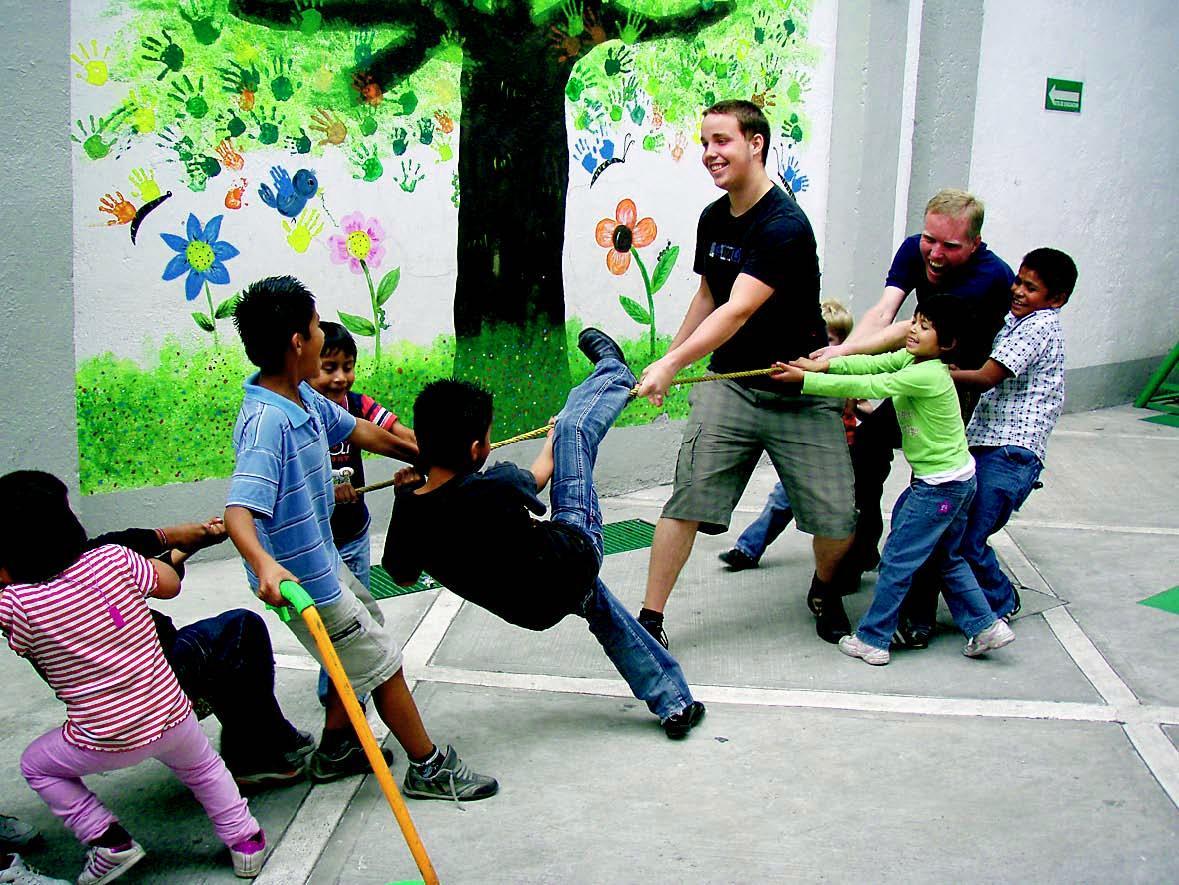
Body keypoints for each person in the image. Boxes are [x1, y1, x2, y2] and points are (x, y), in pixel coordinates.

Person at [225, 276, 497, 801]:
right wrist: (264, 565)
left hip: (323, 561)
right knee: (381, 663)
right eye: (313, 327)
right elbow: (239, 510)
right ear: (297, 344)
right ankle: (428, 768)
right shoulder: (266, 422)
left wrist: (426, 456)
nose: (322, 336)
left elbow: (358, 431)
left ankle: (340, 747)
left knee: (361, 643)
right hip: (302, 583)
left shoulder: (300, 396)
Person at [382, 328, 706, 739]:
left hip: (531, 607)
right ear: (476, 450)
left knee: (598, 606)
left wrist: (403, 495)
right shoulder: (493, 485)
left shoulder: (413, 511)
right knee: (573, 430)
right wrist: (553, 438)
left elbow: (403, 574)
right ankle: (613, 371)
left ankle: (675, 702)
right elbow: (538, 476)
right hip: (574, 553)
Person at [633, 99, 858, 646]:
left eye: (722, 141)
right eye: (705, 142)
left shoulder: (784, 226)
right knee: (685, 500)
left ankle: (825, 589)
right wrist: (671, 356)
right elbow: (709, 293)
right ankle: (650, 620)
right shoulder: (714, 217)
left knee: (836, 520)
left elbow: (738, 308)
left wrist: (670, 364)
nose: (710, 153)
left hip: (797, 386)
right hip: (731, 384)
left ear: (755, 144)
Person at [0, 471, 269, 883]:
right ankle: (246, 843)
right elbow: (169, 584)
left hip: (101, 737)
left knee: (37, 765)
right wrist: (176, 552)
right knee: (205, 770)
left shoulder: (14, 604)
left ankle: (109, 840)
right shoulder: (112, 558)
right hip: (171, 714)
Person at [770, 295, 1016, 665]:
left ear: (947, 343)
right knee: (947, 557)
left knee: (899, 559)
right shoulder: (913, 359)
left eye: (926, 326)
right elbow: (872, 363)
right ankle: (985, 626)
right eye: (915, 321)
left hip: (940, 489)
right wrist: (823, 365)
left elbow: (874, 383)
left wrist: (805, 380)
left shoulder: (924, 375)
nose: (914, 329)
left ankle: (873, 638)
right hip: (957, 483)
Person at [815, 189, 1014, 579]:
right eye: (930, 239)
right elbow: (885, 310)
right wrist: (846, 354)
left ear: (975, 244)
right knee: (868, 448)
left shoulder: (989, 277)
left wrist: (844, 360)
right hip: (920, 371)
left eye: (950, 245)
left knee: (932, 487)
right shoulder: (913, 250)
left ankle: (919, 602)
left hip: (961, 386)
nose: (935, 254)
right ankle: (862, 549)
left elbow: (911, 327)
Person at [900, 248, 1077, 635]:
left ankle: (998, 602)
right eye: (1018, 281)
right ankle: (950, 612)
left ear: (1056, 299)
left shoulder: (1038, 327)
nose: (1017, 291)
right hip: (986, 442)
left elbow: (986, 378)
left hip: (1012, 452)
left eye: (1031, 288)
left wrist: (940, 374)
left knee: (965, 537)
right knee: (952, 530)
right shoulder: (1017, 322)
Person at [83, 519, 316, 787]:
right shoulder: (104, 558)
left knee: (213, 641)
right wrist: (171, 536)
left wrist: (188, 544)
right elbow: (167, 584)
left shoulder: (28, 595)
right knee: (239, 630)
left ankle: (274, 736)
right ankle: (253, 757)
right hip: (152, 677)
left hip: (99, 701)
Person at [719, 299, 871, 571]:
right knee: (781, 500)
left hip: (842, 456)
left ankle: (858, 557)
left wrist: (859, 406)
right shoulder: (802, 373)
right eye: (824, 340)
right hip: (807, 454)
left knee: (844, 513)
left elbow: (863, 406)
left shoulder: (843, 370)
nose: (827, 348)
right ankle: (747, 549)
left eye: (834, 341)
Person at [310, 321, 416, 589]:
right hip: (315, 542)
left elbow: (402, 435)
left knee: (363, 608)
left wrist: (441, 457)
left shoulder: (358, 405)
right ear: (307, 368)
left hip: (353, 533)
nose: (341, 377)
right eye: (329, 368)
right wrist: (326, 492)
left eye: (348, 366)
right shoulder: (300, 417)